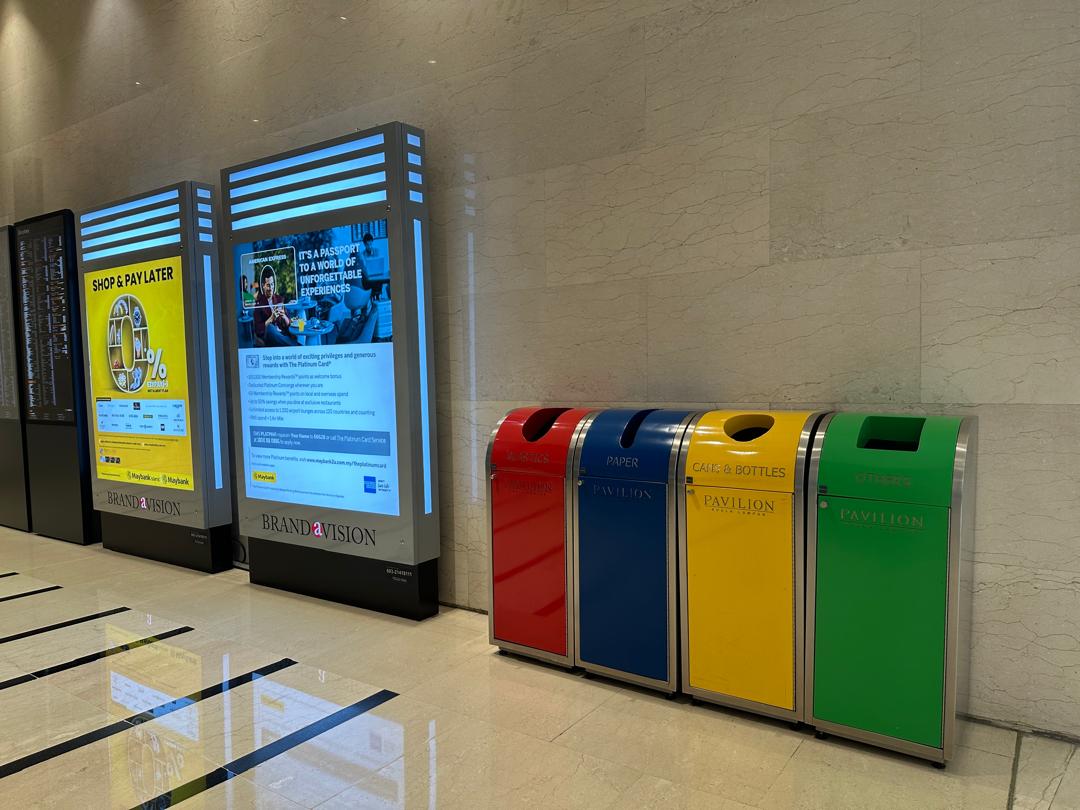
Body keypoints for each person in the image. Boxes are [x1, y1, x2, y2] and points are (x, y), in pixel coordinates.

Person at [252, 267, 296, 347]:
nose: (271, 288)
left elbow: (288, 323)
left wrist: (284, 316)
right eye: (268, 285)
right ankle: (296, 346)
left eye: (272, 284)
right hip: (269, 336)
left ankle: (292, 345)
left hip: (282, 334)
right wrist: (270, 319)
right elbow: (258, 330)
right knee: (270, 328)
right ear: (263, 286)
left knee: (288, 332)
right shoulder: (258, 304)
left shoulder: (279, 299)